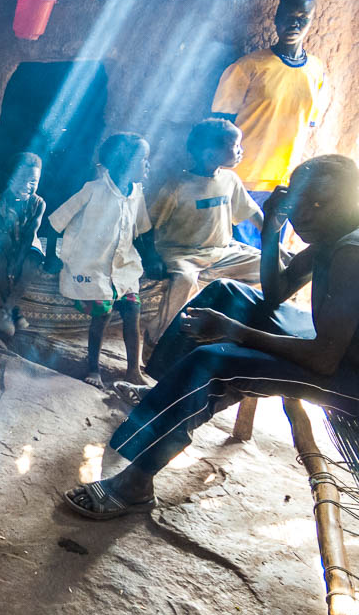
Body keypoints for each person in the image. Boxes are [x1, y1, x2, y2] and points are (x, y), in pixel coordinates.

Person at [64, 155, 359, 520]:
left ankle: (136, 484)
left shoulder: (352, 251)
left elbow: (323, 359)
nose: (306, 215)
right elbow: (276, 291)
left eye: (319, 204)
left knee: (214, 362)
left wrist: (233, 331)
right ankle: (165, 396)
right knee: (226, 293)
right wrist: (270, 233)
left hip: (346, 374)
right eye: (300, 202)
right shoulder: (333, 235)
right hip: (332, 345)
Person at [211, 0, 328, 245]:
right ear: (276, 17)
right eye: (287, 16)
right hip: (242, 178)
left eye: (303, 18)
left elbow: (307, 125)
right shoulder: (247, 67)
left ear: (312, 20)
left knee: (270, 262)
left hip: (284, 184)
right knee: (238, 257)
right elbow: (219, 126)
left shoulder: (316, 72)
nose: (294, 24)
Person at [49, 133, 159, 390]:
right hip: (90, 264)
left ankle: (133, 370)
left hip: (121, 265)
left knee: (133, 309)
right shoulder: (93, 190)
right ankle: (93, 367)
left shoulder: (136, 193)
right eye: (143, 159)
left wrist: (153, 258)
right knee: (104, 311)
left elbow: (142, 229)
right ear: (123, 163)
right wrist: (51, 258)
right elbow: (56, 222)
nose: (148, 165)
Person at [144, 118, 264, 344]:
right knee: (184, 280)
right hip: (181, 253)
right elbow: (149, 224)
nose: (241, 150)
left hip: (222, 251)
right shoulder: (177, 186)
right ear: (210, 155)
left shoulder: (230, 179)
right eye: (235, 146)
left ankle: (231, 317)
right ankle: (158, 335)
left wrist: (273, 242)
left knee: (269, 265)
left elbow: (251, 212)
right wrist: (152, 257)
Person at [0, 152, 46, 339]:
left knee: (30, 265)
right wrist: (10, 258)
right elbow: (4, 234)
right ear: (12, 177)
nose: (28, 185)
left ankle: (7, 311)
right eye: (22, 179)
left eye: (33, 181)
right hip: (3, 241)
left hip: (27, 242)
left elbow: (29, 233)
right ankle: (16, 312)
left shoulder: (39, 203)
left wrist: (19, 261)